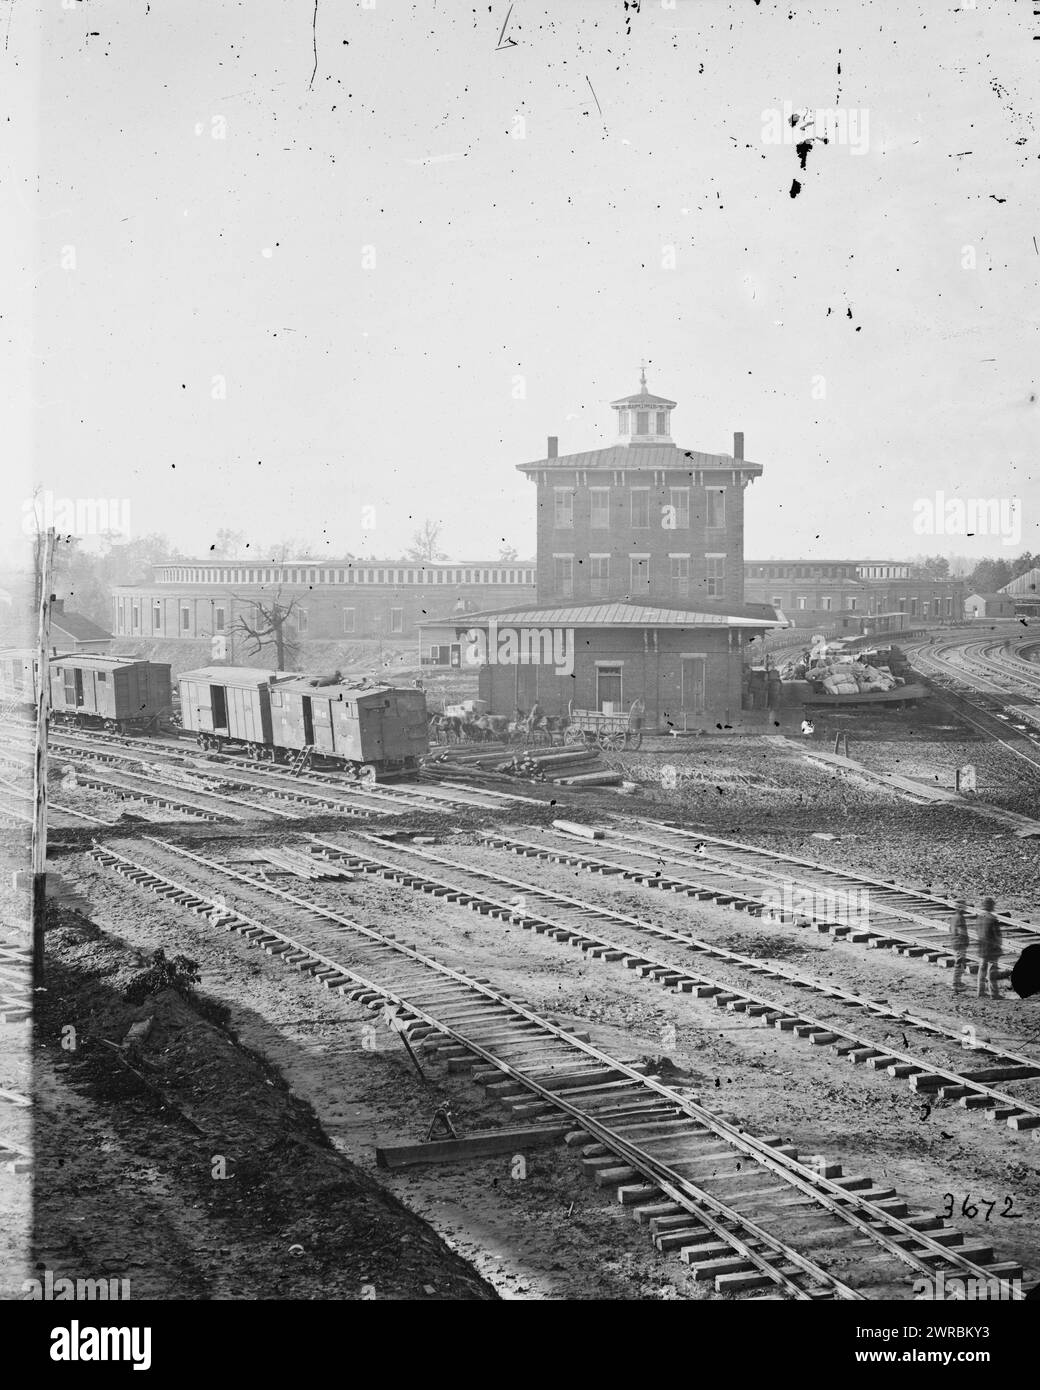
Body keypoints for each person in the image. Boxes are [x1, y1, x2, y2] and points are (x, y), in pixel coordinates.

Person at [976, 897, 1002, 1000]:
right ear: (991, 906)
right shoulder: (992, 919)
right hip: (991, 949)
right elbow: (997, 936)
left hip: (982, 947)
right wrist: (998, 946)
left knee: (981, 970)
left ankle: (980, 991)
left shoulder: (979, 917)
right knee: (992, 971)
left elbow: (977, 932)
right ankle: (994, 993)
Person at [949, 897, 970, 994]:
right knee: (959, 963)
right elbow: (962, 932)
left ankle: (957, 982)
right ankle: (956, 984)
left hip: (955, 942)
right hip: (959, 943)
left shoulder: (954, 918)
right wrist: (965, 942)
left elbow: (951, 930)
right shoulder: (960, 918)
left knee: (959, 962)